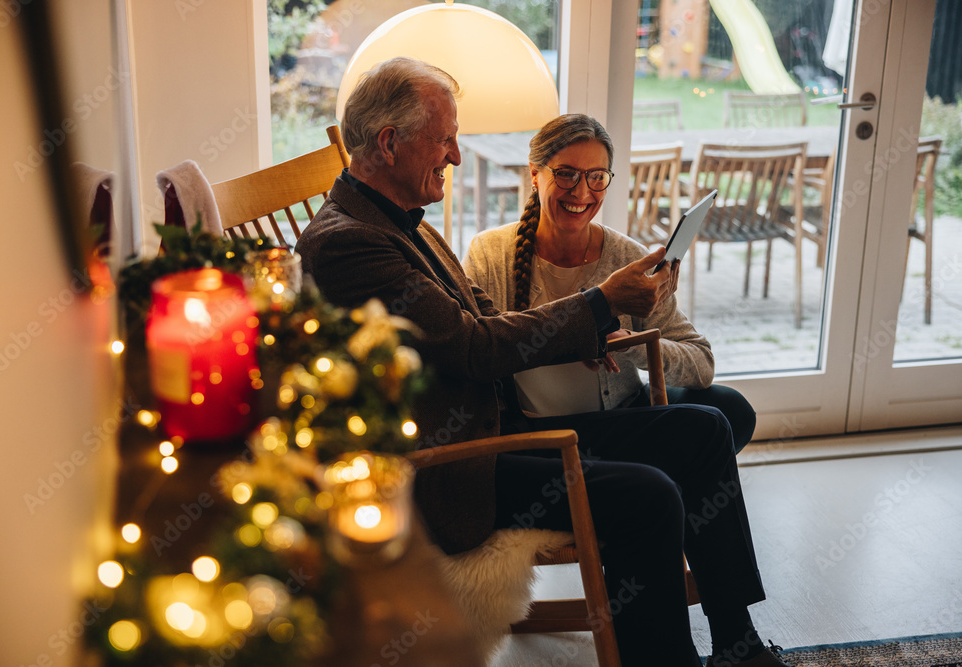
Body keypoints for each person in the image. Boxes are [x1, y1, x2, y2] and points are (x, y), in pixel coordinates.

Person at [295, 57, 790, 667]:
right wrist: (602, 304)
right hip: (458, 464)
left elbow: (484, 323)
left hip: (501, 430)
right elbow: (476, 349)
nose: (455, 155)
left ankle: (737, 642)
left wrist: (597, 332)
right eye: (446, 138)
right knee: (651, 496)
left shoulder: (404, 223)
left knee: (706, 425)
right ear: (391, 142)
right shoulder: (351, 243)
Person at [462, 114, 757, 451]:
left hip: (618, 417)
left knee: (731, 409)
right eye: (566, 174)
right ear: (534, 173)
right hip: (538, 430)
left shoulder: (628, 257)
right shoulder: (490, 253)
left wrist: (630, 342)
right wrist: (581, 332)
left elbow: (701, 363)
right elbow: (478, 350)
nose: (582, 191)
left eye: (596, 177)